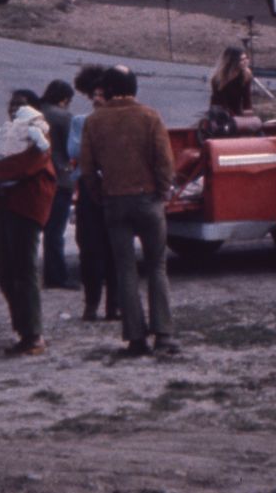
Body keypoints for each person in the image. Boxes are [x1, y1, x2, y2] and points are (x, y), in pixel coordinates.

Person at [78, 65, 178, 356]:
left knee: (125, 269)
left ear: (106, 89)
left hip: (114, 201)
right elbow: (164, 161)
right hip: (147, 199)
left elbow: (86, 169)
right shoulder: (149, 116)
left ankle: (135, 337)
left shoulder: (94, 122)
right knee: (157, 266)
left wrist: (101, 195)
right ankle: (163, 334)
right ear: (134, 88)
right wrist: (162, 191)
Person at [0, 89, 57, 356]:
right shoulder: (5, 134)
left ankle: (33, 334)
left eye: (19, 105)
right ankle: (24, 329)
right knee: (5, 270)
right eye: (11, 105)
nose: (13, 110)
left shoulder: (38, 133)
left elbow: (25, 165)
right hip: (3, 206)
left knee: (24, 270)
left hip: (26, 207)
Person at [68, 64, 118, 322]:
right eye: (94, 95)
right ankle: (91, 304)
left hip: (115, 190)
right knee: (89, 249)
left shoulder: (119, 121)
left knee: (115, 249)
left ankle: (114, 306)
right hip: (89, 190)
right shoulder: (80, 122)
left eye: (102, 95)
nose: (97, 100)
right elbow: (75, 151)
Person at [39, 79, 79, 291]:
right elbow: (72, 149)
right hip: (59, 177)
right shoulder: (63, 117)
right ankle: (56, 276)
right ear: (64, 99)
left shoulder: (34, 112)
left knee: (43, 228)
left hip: (37, 177)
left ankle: (48, 273)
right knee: (56, 230)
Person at [209, 46, 254, 115]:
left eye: (246, 58)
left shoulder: (246, 74)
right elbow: (219, 102)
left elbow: (247, 98)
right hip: (220, 112)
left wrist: (248, 112)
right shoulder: (218, 78)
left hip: (237, 111)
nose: (246, 62)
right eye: (242, 60)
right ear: (233, 61)